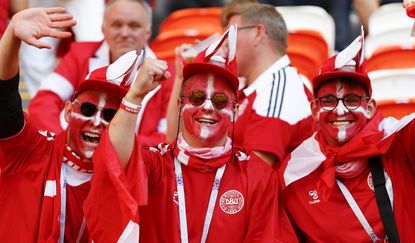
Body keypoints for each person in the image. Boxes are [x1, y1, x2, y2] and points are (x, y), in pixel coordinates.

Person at [84, 26, 298, 242]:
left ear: (234, 109)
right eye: (196, 98)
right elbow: (113, 159)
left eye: (220, 101)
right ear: (179, 104)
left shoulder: (257, 176)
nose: (207, 107)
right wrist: (135, 95)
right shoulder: (155, 164)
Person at [279, 30, 415, 242]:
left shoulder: (398, 143)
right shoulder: (294, 173)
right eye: (329, 101)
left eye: (351, 100)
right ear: (314, 110)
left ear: (369, 108)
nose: (340, 111)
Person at [0, 7, 133, 242]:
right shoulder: (33, 149)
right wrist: (11, 35)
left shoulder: (123, 179)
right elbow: (4, 101)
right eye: (88, 109)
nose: (96, 121)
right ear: (69, 111)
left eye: (109, 115)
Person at [28, 0, 171, 146]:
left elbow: (166, 138)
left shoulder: (167, 74)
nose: (124, 33)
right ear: (103, 29)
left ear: (148, 32)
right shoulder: (81, 53)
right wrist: (63, 144)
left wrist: (111, 146)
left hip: (131, 164)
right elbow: (43, 102)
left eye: (134, 26)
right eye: (117, 25)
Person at [221, 3, 314, 166]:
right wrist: (181, 77)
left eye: (230, 34)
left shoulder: (281, 86)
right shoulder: (248, 85)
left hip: (268, 191)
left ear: (258, 33)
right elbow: (178, 140)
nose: (224, 44)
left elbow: (256, 172)